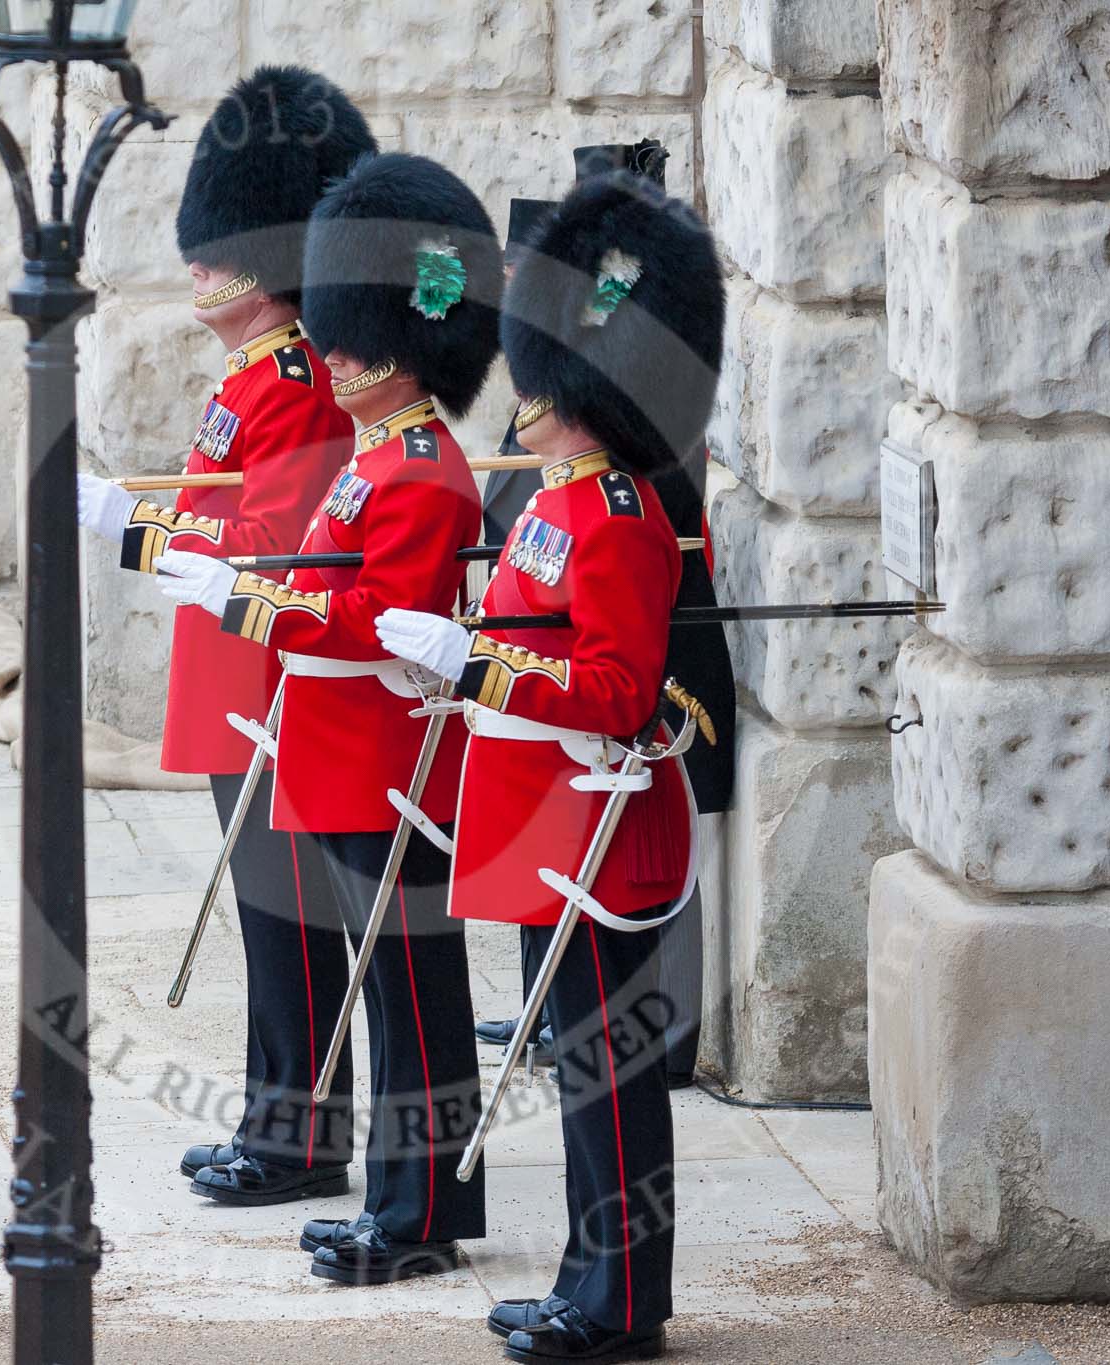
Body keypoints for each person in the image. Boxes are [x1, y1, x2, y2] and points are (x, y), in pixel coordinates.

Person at [375, 170, 727, 1361]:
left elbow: (620, 696)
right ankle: (590, 1277)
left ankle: (622, 1303)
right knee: (578, 1069)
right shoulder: (552, 503)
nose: (515, 395)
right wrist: (458, 656)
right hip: (542, 825)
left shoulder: (616, 514)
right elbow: (535, 640)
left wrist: (478, 671)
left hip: (594, 829)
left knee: (609, 1082)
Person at [154, 151, 499, 1284]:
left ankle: (420, 1216)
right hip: (343, 747)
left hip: (383, 758)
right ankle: (403, 1208)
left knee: (408, 990)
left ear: (401, 346)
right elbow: (331, 577)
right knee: (388, 984)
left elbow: (365, 614)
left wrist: (250, 594)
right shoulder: (377, 458)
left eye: (353, 336)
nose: (332, 350)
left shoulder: (416, 466)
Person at [74, 65, 374, 1202]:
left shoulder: (291, 379)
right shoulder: (248, 373)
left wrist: (130, 526)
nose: (194, 266)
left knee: (287, 919)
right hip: (229, 667)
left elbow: (267, 540)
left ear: (264, 263)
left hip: (270, 675)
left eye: (214, 249)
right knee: (265, 917)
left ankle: (300, 1137)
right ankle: (275, 1117)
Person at [471, 139, 723, 1092]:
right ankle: (557, 1003)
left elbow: (644, 508)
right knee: (575, 896)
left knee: (657, 857)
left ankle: (664, 1032)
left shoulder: (629, 386)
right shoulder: (569, 382)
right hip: (567, 667)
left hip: (647, 651)